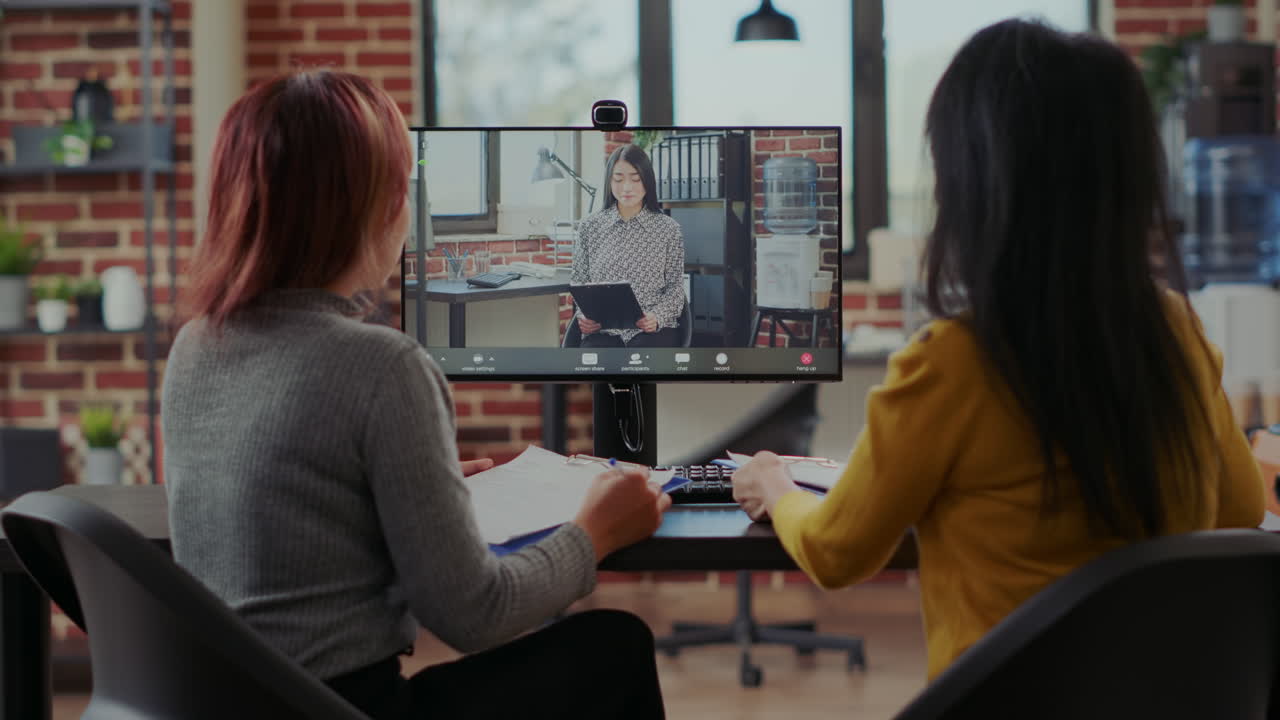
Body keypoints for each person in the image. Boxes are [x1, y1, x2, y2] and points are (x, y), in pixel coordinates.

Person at [730, 19, 1265, 683]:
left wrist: (773, 483)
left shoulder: (952, 362)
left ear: (974, 182)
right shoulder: (1177, 333)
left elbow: (838, 551)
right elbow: (1239, 510)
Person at [163, 70, 670, 719]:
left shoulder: (196, 348)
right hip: (343, 707)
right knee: (612, 645)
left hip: (230, 702)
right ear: (369, 209)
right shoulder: (382, 365)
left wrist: (391, 492)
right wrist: (594, 533)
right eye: (402, 188)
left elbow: (285, 523)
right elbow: (475, 614)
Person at [572, 143, 686, 348]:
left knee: (639, 366)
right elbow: (579, 283)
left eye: (635, 178)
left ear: (647, 180)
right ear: (609, 181)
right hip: (603, 330)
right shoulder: (589, 227)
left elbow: (675, 289)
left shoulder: (669, 229)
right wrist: (584, 317)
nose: (627, 187)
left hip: (651, 330)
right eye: (618, 179)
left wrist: (657, 316)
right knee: (595, 366)